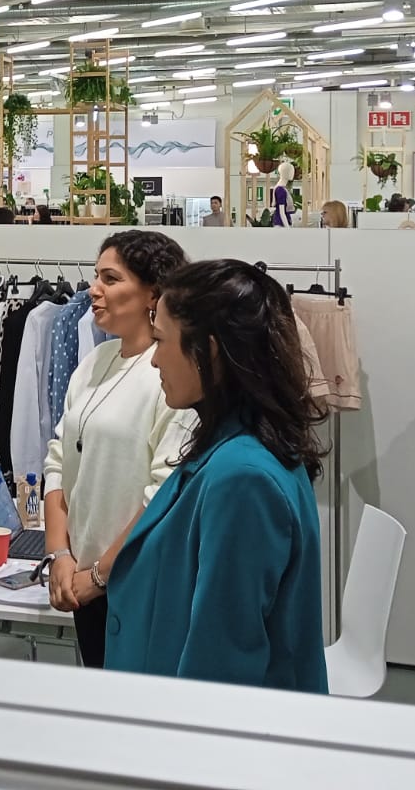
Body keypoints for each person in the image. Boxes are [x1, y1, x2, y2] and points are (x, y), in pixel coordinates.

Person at [105, 260, 327, 691]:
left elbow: (222, 659)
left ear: (208, 351)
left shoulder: (243, 478)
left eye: (161, 340)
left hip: (202, 720)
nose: (155, 360)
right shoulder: (231, 447)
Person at [43, 231, 191, 668]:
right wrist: (59, 555)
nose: (94, 289)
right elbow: (58, 460)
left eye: (110, 279)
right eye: (96, 277)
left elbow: (164, 495)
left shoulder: (172, 377)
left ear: (153, 294)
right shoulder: (95, 362)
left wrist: (100, 576)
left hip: (136, 585)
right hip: (81, 581)